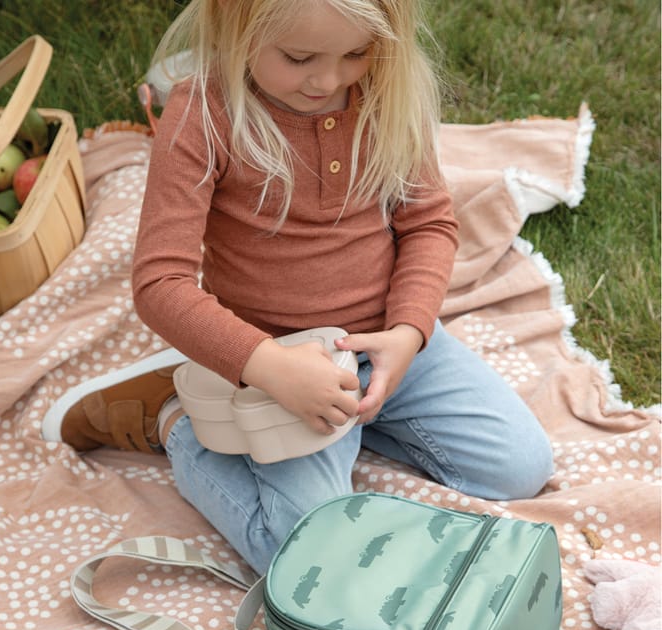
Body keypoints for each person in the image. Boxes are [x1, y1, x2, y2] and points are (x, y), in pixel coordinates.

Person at [42, 0, 554, 575]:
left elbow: (429, 223)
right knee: (307, 557)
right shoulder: (203, 114)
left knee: (520, 468)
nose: (329, 79)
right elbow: (160, 283)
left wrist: (408, 333)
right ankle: (176, 424)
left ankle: (363, 420)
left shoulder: (387, 94)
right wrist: (267, 366)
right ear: (233, 29)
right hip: (279, 364)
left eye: (356, 53)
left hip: (383, 341)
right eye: (299, 57)